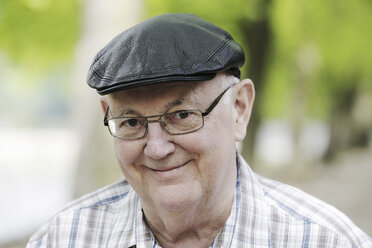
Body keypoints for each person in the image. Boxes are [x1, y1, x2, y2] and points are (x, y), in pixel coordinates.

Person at [27, 13, 371, 248]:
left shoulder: (324, 240)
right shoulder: (64, 237)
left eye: (181, 115)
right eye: (131, 122)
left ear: (239, 109)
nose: (157, 148)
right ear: (108, 115)